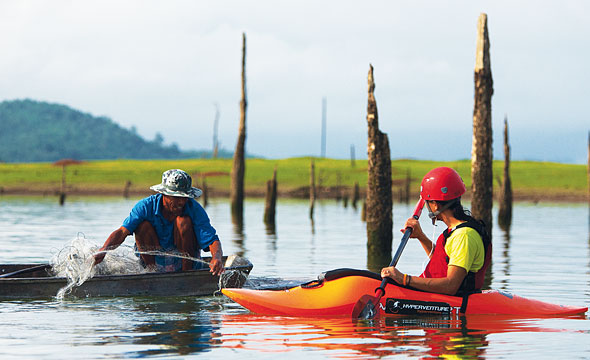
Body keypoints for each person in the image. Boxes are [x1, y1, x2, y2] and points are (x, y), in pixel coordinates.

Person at [381, 167, 491, 296]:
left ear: (435, 205)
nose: (428, 206)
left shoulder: (464, 236)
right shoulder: (455, 231)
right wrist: (421, 237)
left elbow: (450, 286)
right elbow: (442, 264)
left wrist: (404, 279)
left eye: (428, 202)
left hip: (453, 300)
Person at [94, 169, 224, 275]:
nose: (181, 202)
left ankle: (186, 274)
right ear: (164, 194)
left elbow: (212, 240)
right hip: (154, 260)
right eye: (176, 198)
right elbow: (123, 231)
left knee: (183, 221)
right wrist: (104, 250)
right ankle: (152, 273)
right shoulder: (146, 206)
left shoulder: (193, 208)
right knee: (141, 225)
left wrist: (217, 258)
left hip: (184, 261)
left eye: (184, 198)